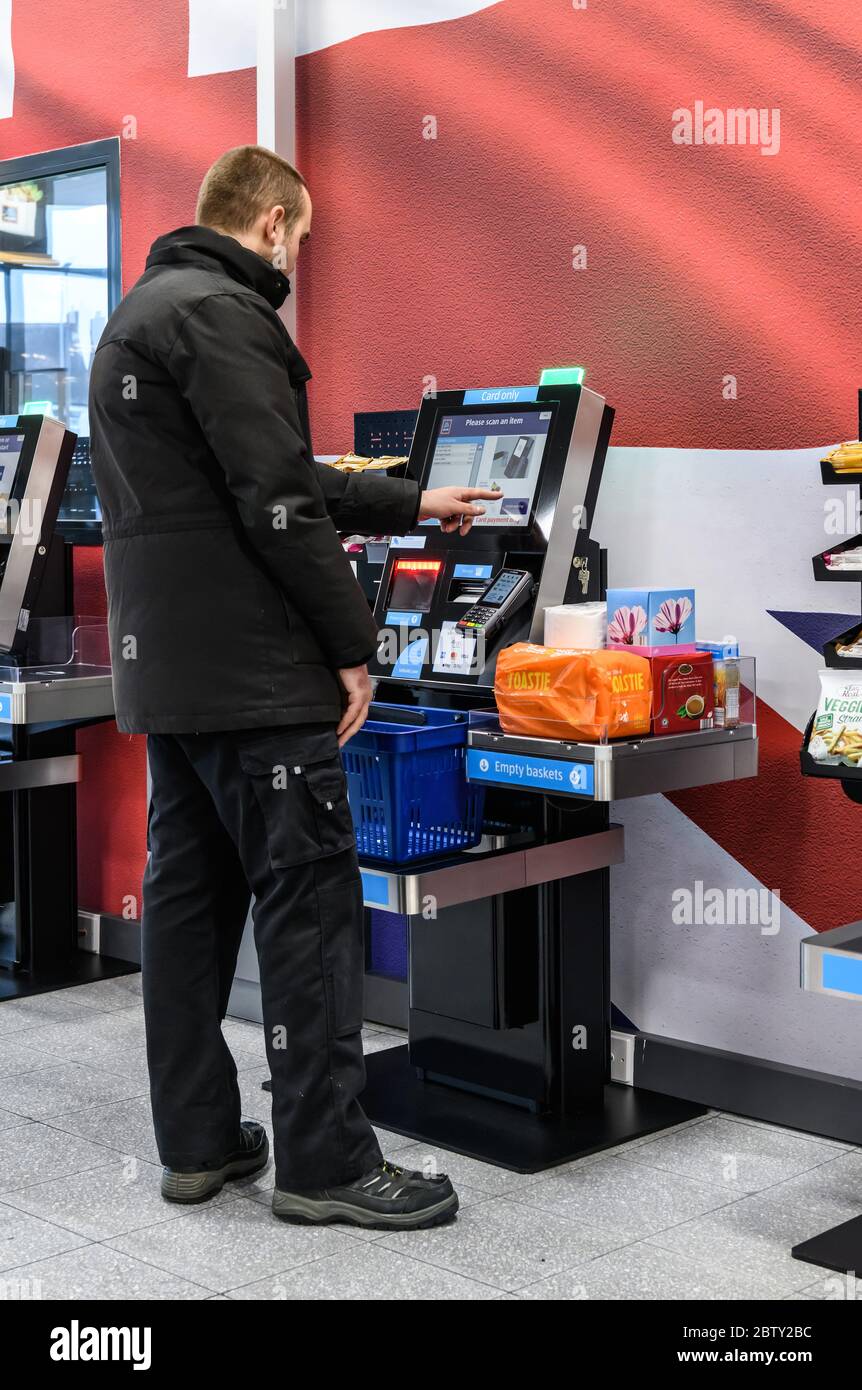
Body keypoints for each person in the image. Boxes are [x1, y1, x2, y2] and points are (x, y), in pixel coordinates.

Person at [89, 145, 498, 1230]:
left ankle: (200, 1141)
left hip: (173, 679)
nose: (298, 258)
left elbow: (258, 474)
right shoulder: (223, 314)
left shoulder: (144, 313)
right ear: (270, 221)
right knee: (310, 903)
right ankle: (324, 1159)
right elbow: (275, 498)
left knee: (188, 905)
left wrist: (408, 500)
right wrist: (349, 641)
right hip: (256, 677)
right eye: (302, 238)